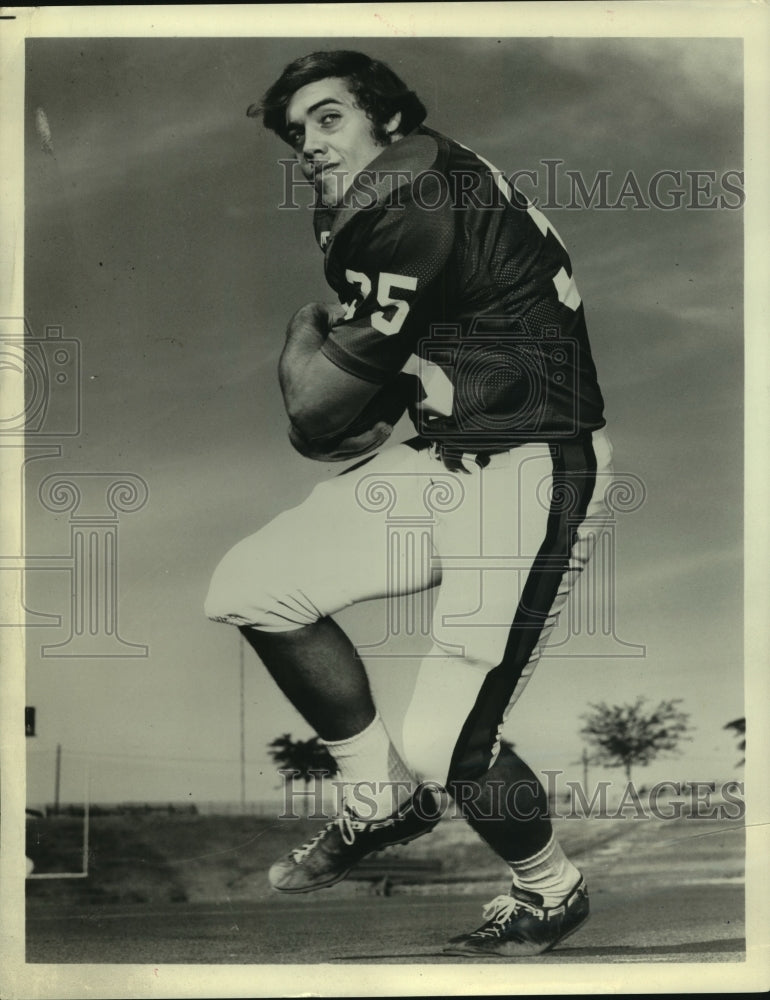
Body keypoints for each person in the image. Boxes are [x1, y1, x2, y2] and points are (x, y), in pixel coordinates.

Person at [205, 50, 613, 958]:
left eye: (328, 118)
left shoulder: (406, 199)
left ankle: (549, 889)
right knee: (253, 583)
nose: (308, 145)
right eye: (296, 133)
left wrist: (300, 329)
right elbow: (343, 422)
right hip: (446, 453)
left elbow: (315, 416)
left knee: (447, 742)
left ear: (386, 118)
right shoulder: (417, 183)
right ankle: (377, 793)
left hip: (530, 465)